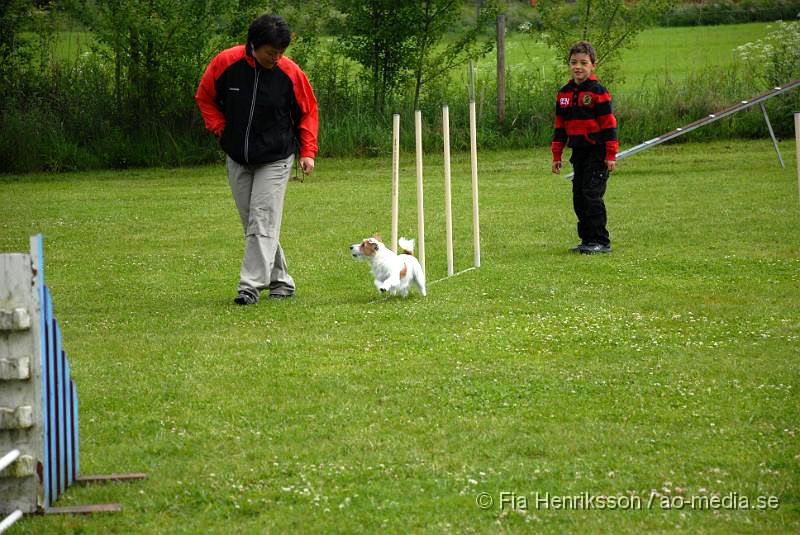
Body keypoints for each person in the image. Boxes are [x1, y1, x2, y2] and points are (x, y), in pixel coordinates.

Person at [195, 13, 318, 304]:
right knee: (254, 222)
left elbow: (307, 111)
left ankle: (249, 287)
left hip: (275, 158)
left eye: (281, 53)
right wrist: (221, 130)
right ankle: (282, 282)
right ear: (253, 45)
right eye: (271, 52)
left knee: (262, 220)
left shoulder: (290, 73)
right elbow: (205, 97)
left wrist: (308, 152)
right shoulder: (226, 63)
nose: (276, 58)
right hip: (237, 156)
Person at [551, 41, 617, 254]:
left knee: (591, 195)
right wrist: (556, 155)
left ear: (593, 65)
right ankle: (587, 240)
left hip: (597, 152)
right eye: (574, 62)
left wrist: (611, 154)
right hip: (578, 153)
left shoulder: (598, 92)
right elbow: (559, 127)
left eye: (583, 63)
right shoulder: (564, 94)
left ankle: (601, 241)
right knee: (579, 197)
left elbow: (609, 125)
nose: (578, 67)